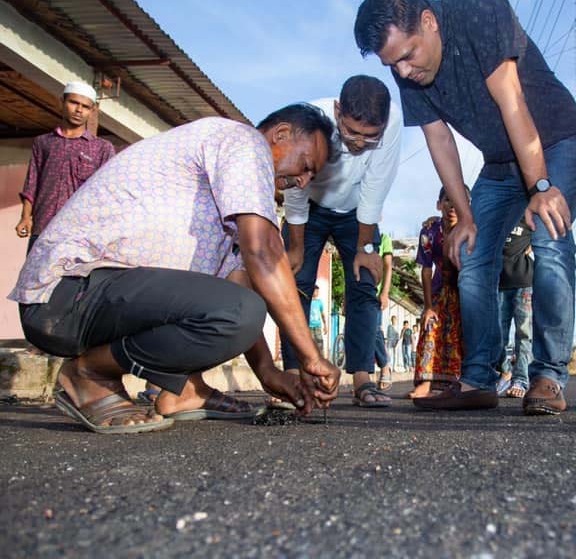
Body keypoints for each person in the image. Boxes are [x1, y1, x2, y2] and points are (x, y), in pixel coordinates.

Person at [9, 103, 342, 433]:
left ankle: (185, 389)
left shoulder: (244, 205)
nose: (303, 182)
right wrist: (311, 356)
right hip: (67, 290)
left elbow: (239, 291)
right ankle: (89, 374)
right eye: (306, 165)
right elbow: (265, 253)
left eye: (312, 177)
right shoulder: (243, 141)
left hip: (103, 300)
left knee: (237, 307)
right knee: (241, 308)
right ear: (281, 134)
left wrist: (268, 371)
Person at [355, 0, 576, 414]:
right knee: (473, 253)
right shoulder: (406, 70)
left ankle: (546, 376)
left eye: (407, 56)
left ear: (429, 22)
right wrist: (464, 216)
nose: (403, 72)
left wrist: (540, 186)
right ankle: (478, 378)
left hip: (554, 140)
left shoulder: (474, 5)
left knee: (549, 242)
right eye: (393, 64)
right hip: (500, 162)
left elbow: (511, 100)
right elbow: (439, 141)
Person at [278, 75, 401, 409]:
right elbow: (295, 189)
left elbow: (375, 188)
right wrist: (297, 247)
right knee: (295, 282)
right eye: (350, 132)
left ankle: (362, 378)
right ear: (337, 111)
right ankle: (293, 374)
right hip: (310, 208)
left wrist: (364, 249)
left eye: (369, 136)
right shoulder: (309, 119)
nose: (359, 144)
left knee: (363, 285)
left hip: (357, 211)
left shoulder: (393, 122)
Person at [17, 81, 116, 252]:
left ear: (92, 111)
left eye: (85, 106)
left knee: (70, 279)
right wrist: (25, 217)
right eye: (74, 103)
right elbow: (32, 182)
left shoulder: (102, 148)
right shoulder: (43, 143)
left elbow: (108, 193)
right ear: (61, 103)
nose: (79, 110)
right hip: (42, 229)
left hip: (78, 234)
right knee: (34, 278)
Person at [409, 186, 467, 398]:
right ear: (439, 204)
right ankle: (425, 383)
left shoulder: (471, 229)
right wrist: (428, 306)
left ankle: (461, 383)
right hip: (438, 290)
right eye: (447, 200)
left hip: (466, 290)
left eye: (458, 200)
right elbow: (426, 269)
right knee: (430, 327)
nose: (452, 206)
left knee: (463, 335)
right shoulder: (430, 231)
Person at [495, 224, 534, 398]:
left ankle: (521, 379)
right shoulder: (497, 214)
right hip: (498, 283)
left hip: (524, 282)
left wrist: (534, 241)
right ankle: (505, 372)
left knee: (524, 333)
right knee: (498, 334)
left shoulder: (528, 217)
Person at [375, 232, 395, 391]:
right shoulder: (354, 235)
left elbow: (388, 266)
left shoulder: (383, 238)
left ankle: (384, 366)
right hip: (357, 291)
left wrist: (385, 292)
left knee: (374, 331)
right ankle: (363, 378)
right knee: (358, 334)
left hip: (374, 293)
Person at [309, 286, 327, 358]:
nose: (317, 293)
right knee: (311, 343)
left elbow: (322, 314)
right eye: (316, 291)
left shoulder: (319, 302)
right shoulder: (308, 301)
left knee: (320, 342)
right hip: (309, 326)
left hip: (317, 326)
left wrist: (325, 325)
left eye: (318, 291)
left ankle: (322, 358)